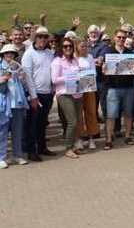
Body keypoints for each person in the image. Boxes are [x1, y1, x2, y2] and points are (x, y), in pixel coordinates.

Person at [22, 26, 56, 162]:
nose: (42, 39)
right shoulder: (29, 54)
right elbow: (27, 76)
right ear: (35, 38)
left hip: (47, 93)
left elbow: (52, 72)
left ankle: (42, 147)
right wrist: (33, 96)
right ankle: (32, 151)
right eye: (40, 36)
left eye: (45, 37)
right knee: (32, 124)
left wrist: (53, 88)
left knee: (42, 124)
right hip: (35, 94)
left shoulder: (50, 53)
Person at [101, 28, 134, 150]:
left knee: (128, 113)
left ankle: (127, 136)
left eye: (123, 37)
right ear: (115, 38)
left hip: (128, 87)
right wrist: (104, 68)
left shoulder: (130, 53)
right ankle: (109, 139)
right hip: (113, 88)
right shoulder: (108, 52)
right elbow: (102, 69)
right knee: (111, 115)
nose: (121, 39)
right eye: (119, 37)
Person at [51, 37, 82, 159]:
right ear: (61, 48)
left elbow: (80, 77)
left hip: (77, 93)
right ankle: (68, 148)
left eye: (70, 46)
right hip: (64, 94)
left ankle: (73, 146)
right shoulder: (57, 61)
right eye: (65, 46)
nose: (68, 48)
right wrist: (71, 77)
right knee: (72, 121)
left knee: (76, 121)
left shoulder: (75, 61)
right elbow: (54, 80)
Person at [0, 44, 30, 168]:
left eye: (12, 53)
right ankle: (1, 157)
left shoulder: (17, 66)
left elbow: (24, 82)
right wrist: (2, 79)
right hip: (4, 103)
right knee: (2, 132)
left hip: (17, 103)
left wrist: (22, 77)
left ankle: (17, 155)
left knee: (17, 131)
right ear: (3, 55)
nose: (9, 55)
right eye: (7, 53)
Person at [74, 38, 100, 151]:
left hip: (89, 87)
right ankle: (80, 138)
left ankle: (91, 138)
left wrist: (83, 74)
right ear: (77, 47)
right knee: (78, 114)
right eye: (82, 46)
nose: (84, 48)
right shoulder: (73, 58)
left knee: (90, 112)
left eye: (85, 46)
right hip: (77, 89)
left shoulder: (89, 57)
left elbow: (94, 72)